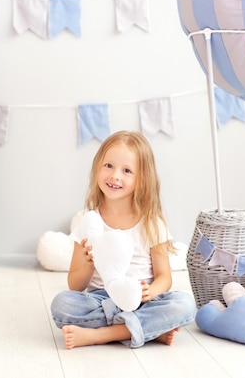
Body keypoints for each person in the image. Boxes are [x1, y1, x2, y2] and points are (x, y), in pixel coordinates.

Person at [50, 130, 196, 349]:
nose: (115, 175)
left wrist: (153, 291)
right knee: (61, 304)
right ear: (97, 167)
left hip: (143, 300)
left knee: (184, 305)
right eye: (108, 166)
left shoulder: (152, 223)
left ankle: (102, 335)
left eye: (127, 170)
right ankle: (146, 330)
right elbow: (74, 285)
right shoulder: (88, 222)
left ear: (142, 180)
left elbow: (164, 276)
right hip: (103, 300)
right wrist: (89, 266)